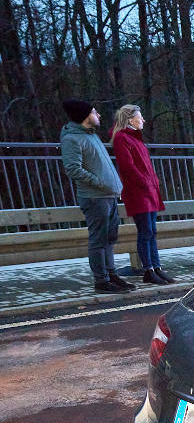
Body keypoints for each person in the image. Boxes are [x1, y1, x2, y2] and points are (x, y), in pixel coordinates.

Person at [60, 99, 133, 295]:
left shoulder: (91, 135)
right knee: (99, 240)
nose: (98, 115)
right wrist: (100, 183)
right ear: (85, 116)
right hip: (94, 197)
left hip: (108, 196)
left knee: (109, 238)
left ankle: (111, 275)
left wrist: (112, 185)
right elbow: (73, 169)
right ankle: (101, 280)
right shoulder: (72, 139)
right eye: (94, 112)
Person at [111, 104, 173, 285]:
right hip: (139, 192)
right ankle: (148, 270)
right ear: (131, 120)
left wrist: (152, 183)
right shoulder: (122, 138)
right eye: (140, 117)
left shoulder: (135, 139)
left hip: (148, 191)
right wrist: (145, 182)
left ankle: (156, 267)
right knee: (146, 231)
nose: (143, 120)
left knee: (151, 231)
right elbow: (127, 166)